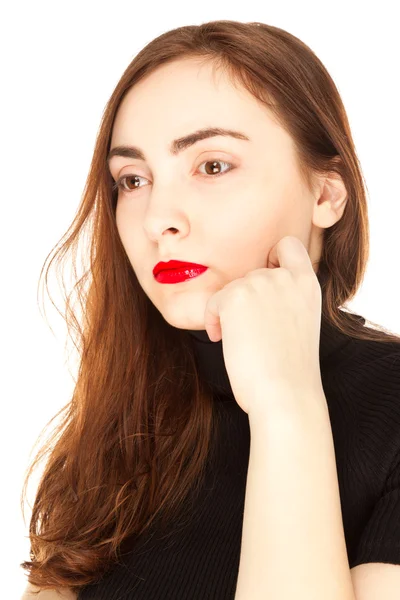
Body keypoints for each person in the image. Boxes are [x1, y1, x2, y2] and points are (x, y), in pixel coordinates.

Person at [21, 19, 400, 600]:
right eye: (133, 179)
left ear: (326, 194)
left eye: (212, 166)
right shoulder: (120, 419)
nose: (157, 219)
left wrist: (285, 403)